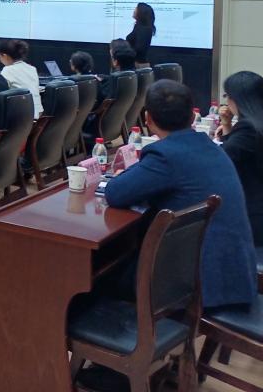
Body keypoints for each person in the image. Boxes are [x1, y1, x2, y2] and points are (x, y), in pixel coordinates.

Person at [104, 80, 257, 310]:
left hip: (199, 284)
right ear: (193, 117)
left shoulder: (165, 155)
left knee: (102, 274)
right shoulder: (209, 146)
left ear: (148, 119)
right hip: (234, 276)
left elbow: (115, 193)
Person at [218, 71, 263, 246]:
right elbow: (236, 154)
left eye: (227, 96)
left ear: (237, 99)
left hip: (253, 216)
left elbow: (223, 160)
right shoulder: (255, 123)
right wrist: (226, 125)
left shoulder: (249, 128)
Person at [85, 39, 137, 147]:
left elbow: (100, 101)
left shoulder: (115, 80)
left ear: (115, 61)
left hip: (98, 126)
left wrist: (98, 84)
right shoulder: (131, 77)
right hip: (117, 124)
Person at [0, 39, 42, 120]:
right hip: (38, 117)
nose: (0, 60)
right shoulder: (32, 69)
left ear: (5, 56)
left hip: (21, 119)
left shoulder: (7, 70)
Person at [125, 2, 155, 68]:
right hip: (135, 63)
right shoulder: (138, 26)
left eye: (136, 9)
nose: (134, 11)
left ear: (141, 13)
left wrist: (124, 52)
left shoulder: (144, 29)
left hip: (139, 65)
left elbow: (139, 48)